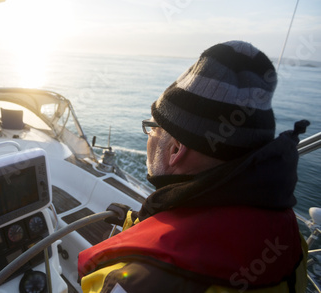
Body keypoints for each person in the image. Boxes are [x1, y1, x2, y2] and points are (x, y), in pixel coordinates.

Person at [78, 41, 308, 292]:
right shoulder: (289, 236)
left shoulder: (139, 281)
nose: (149, 135)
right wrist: (134, 223)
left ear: (175, 150)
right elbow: (207, 232)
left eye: (153, 127)